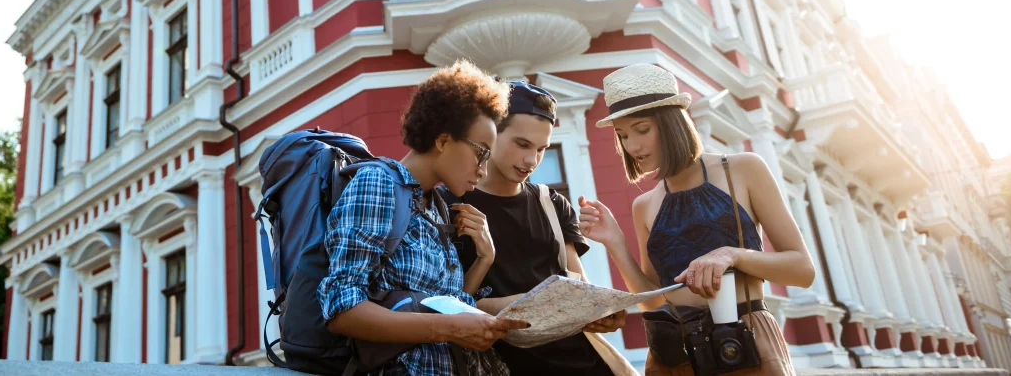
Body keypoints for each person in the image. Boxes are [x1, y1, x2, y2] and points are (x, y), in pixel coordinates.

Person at [578, 64, 816, 376]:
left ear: (672, 122)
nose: (631, 146)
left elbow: (802, 270)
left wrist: (732, 255)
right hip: (673, 355)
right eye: (622, 136)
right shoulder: (644, 205)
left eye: (642, 129)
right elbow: (654, 303)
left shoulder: (744, 169)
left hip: (745, 343)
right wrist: (615, 243)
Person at [318, 60, 528, 376]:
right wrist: (448, 329)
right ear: (443, 140)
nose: (484, 170)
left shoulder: (438, 205)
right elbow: (341, 308)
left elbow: (444, 304)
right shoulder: (379, 184)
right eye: (481, 153)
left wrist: (485, 260)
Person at [449, 81, 627, 376]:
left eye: (542, 149)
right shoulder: (450, 204)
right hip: (500, 366)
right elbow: (445, 304)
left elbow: (579, 287)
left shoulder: (552, 203)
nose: (531, 161)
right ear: (491, 133)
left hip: (585, 365)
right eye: (522, 144)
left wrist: (602, 312)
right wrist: (521, 304)